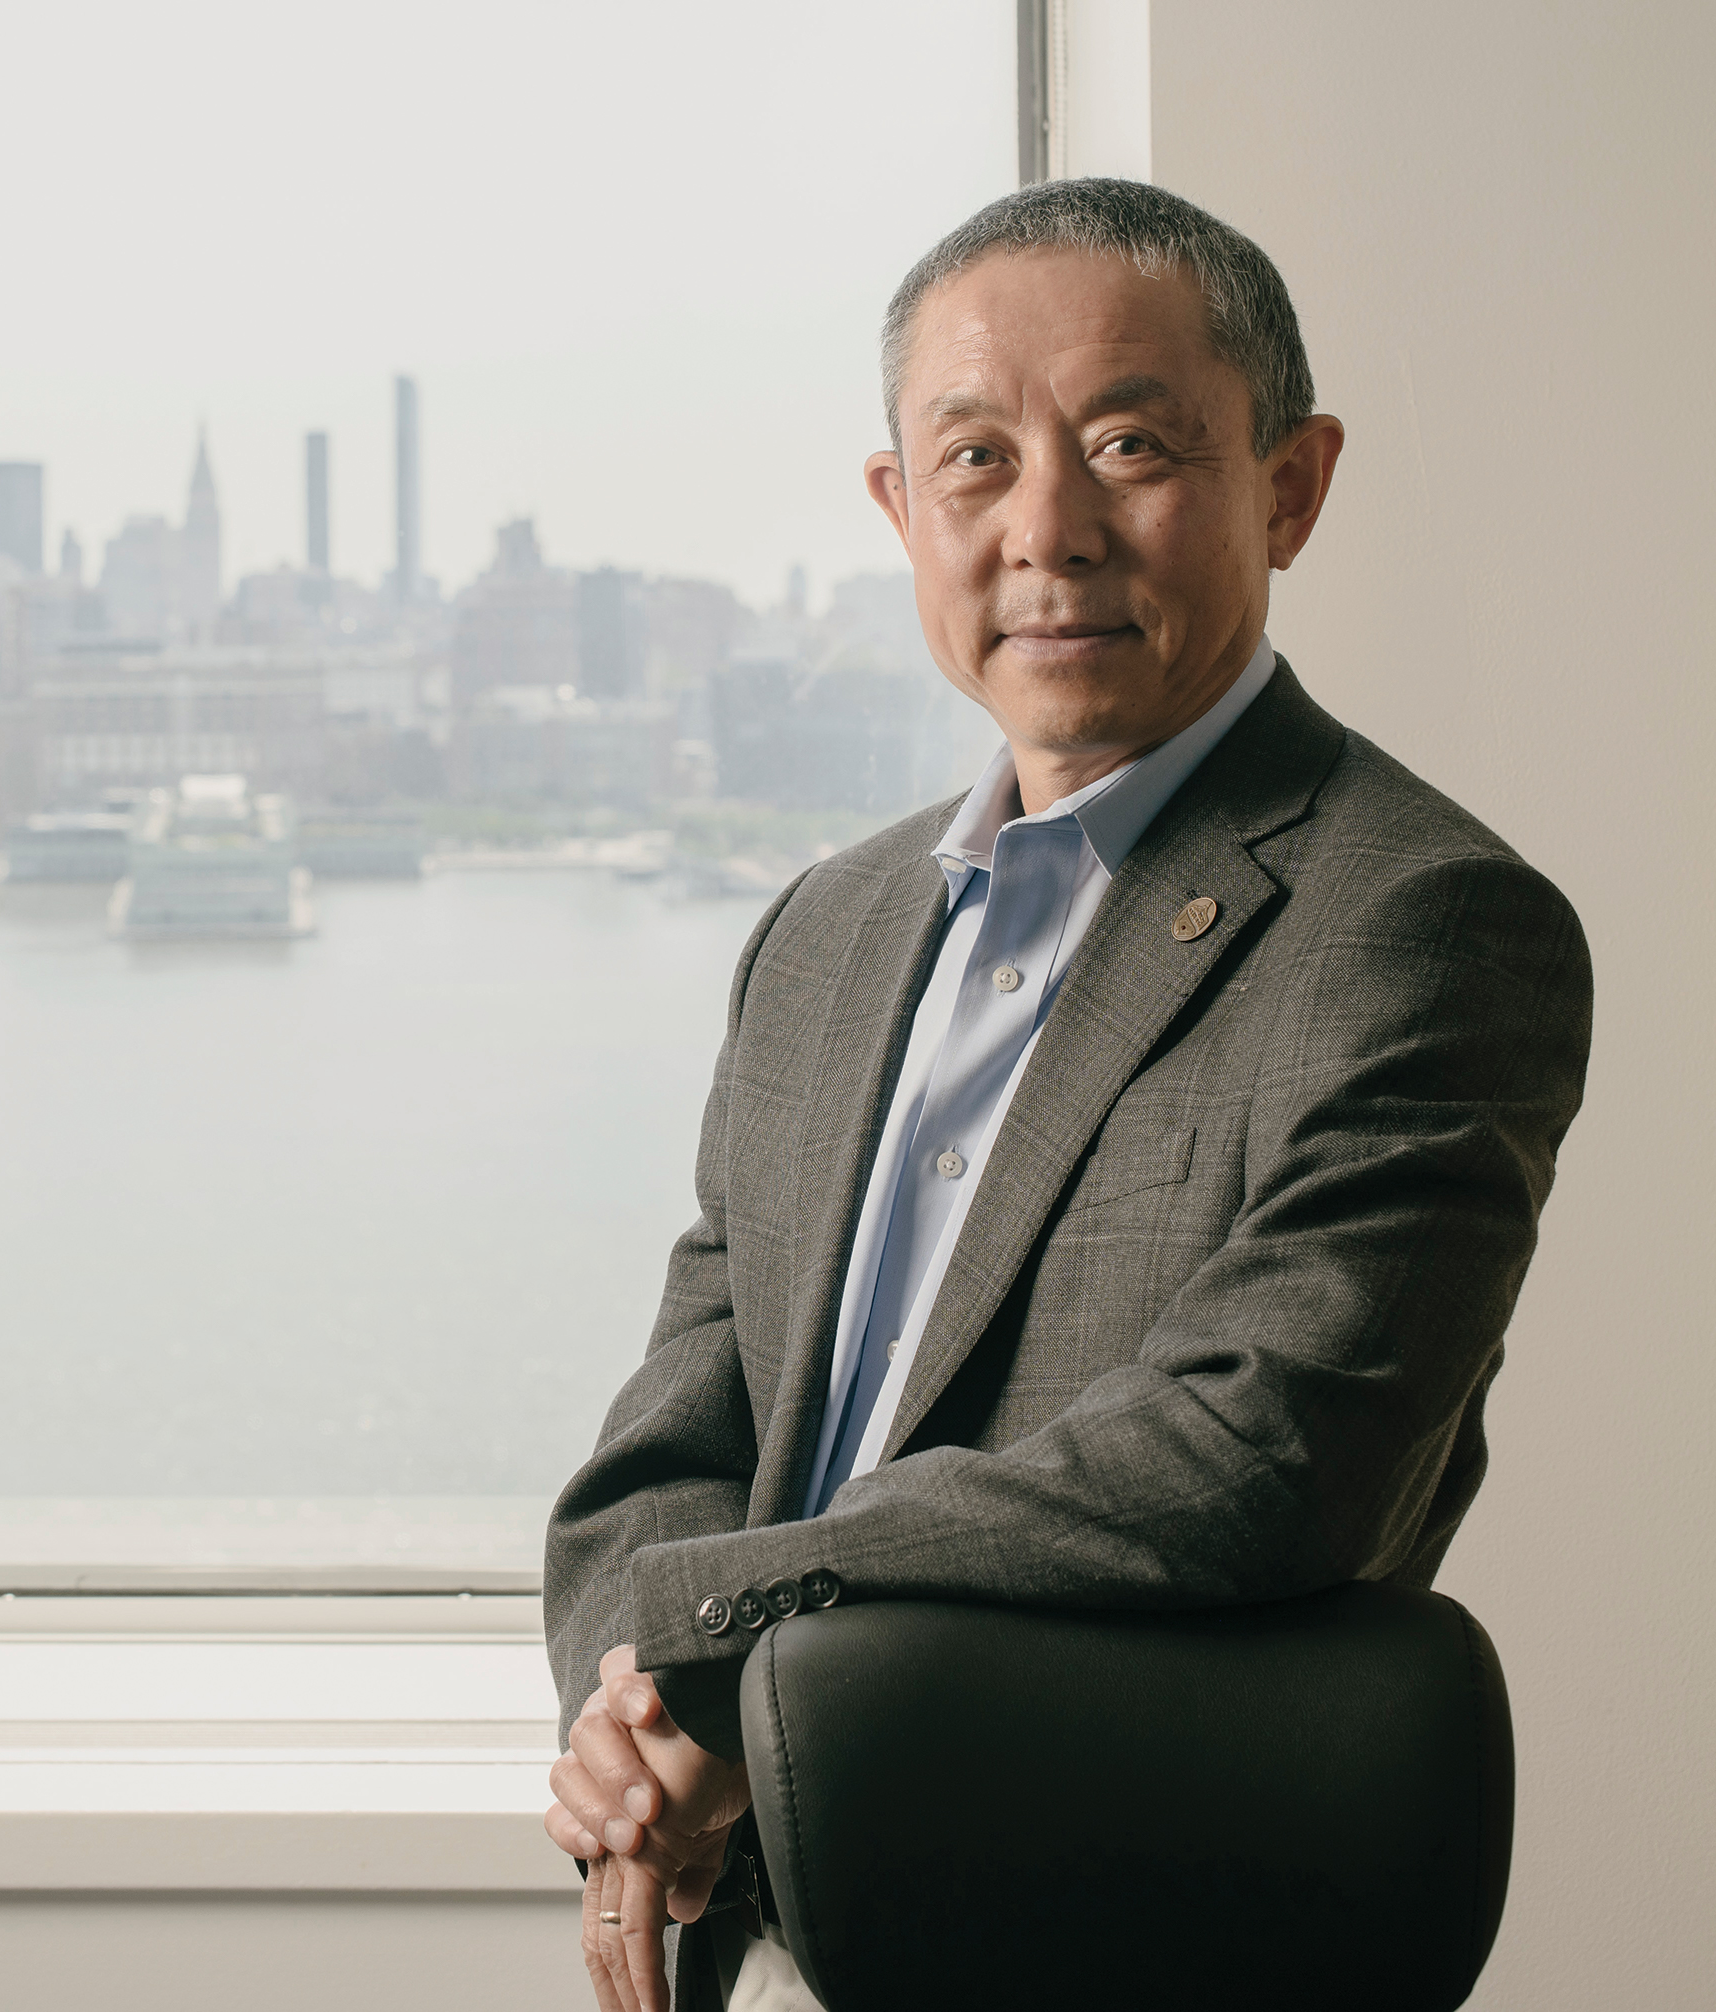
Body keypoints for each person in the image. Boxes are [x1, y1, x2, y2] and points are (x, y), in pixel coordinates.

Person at [540, 177, 1594, 2012]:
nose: (1048, 528)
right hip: (755, 1927)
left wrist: (729, 1635)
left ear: (1291, 484)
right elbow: (673, 1434)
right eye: (973, 460)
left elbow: (1261, 1457)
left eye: (1130, 443)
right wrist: (635, 1713)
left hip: (1114, 1925)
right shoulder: (829, 931)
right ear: (898, 508)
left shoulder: (1422, 923)